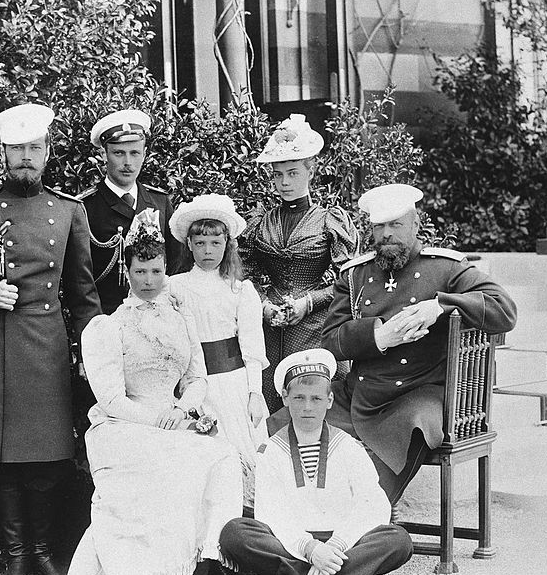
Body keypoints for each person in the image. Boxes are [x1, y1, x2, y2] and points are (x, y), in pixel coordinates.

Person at [0, 103, 101, 575]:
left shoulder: (69, 211)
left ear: (47, 152)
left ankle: (44, 553)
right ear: (3, 154)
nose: (26, 158)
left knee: (47, 452)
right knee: (2, 453)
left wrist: (93, 349)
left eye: (34, 148)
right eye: (17, 150)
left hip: (47, 339)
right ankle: (15, 557)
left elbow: (83, 292)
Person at [59, 209, 243, 575]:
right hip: (124, 421)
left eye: (156, 272)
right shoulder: (110, 325)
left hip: (174, 416)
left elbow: (196, 378)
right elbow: (109, 398)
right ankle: (150, 567)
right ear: (127, 271)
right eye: (140, 272)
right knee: (164, 456)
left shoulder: (180, 316)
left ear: (165, 271)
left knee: (224, 456)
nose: (148, 281)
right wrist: (155, 420)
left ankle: (214, 558)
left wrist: (183, 410)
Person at [321, 183, 518, 505]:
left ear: (415, 224)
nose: (387, 234)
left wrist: (440, 305)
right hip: (362, 392)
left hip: (422, 391)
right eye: (379, 226)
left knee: (410, 429)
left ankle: (362, 519)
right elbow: (330, 341)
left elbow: (504, 310)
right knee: (288, 421)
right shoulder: (355, 275)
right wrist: (378, 336)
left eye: (396, 224)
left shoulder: (446, 268)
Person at [219, 349, 413, 575]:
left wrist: (334, 547)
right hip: (291, 543)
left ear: (330, 400)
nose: (308, 407)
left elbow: (373, 503)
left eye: (316, 398)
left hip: (342, 542)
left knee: (399, 540)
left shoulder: (347, 446)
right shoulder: (271, 451)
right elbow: (271, 513)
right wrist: (311, 550)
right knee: (235, 532)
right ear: (285, 398)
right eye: (299, 398)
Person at [240, 114, 359, 414]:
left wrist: (309, 301)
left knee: (311, 402)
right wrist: (265, 304)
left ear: (311, 170)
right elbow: (245, 273)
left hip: (316, 327)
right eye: (278, 175)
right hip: (270, 327)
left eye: (292, 173)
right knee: (270, 402)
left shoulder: (329, 220)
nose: (284, 182)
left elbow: (348, 281)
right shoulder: (260, 222)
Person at [168, 194, 270, 510]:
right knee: (203, 455)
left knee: (243, 454)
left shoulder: (240, 289)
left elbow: (252, 349)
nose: (208, 251)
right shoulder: (175, 286)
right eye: (201, 243)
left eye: (215, 242)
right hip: (195, 386)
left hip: (234, 385)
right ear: (189, 244)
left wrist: (255, 393)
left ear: (227, 243)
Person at [83, 109, 181, 314]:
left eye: (135, 153)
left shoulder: (160, 202)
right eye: (119, 153)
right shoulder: (85, 207)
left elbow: (176, 265)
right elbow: (80, 281)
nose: (128, 162)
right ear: (103, 154)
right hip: (107, 321)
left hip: (156, 318)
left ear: (144, 154)